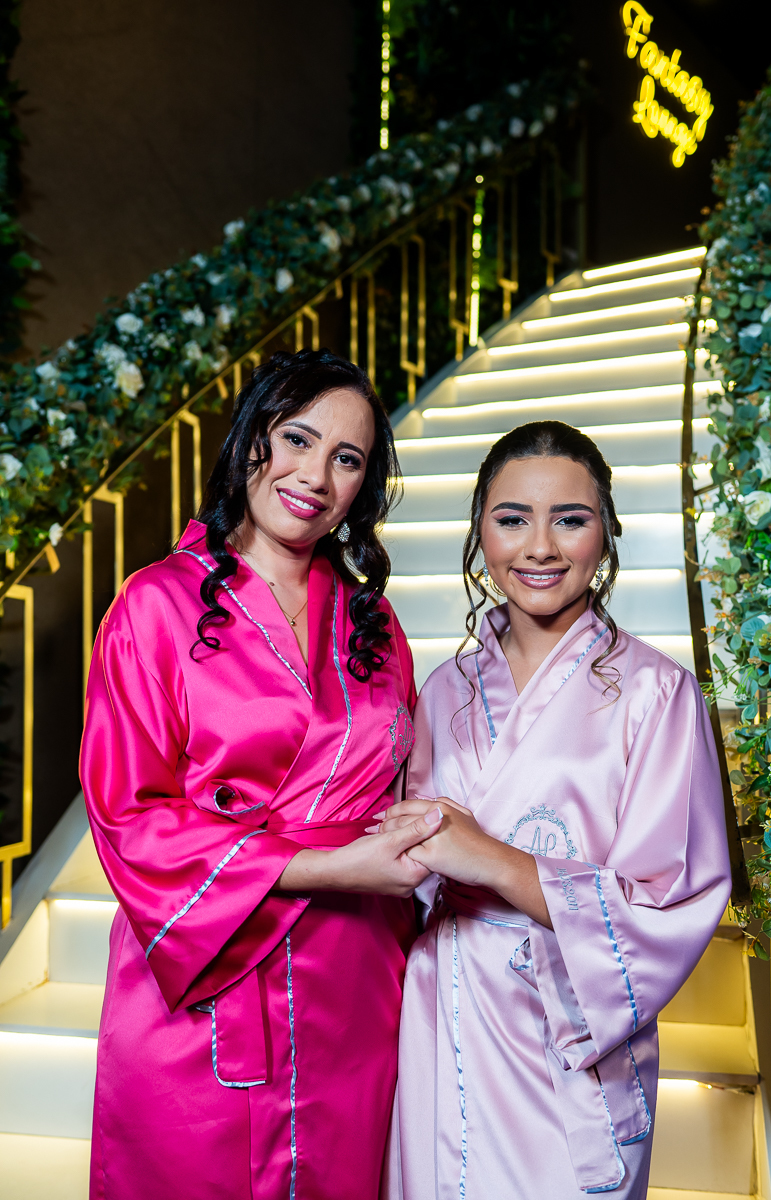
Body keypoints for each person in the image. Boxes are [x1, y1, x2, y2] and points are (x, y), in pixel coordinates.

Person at [80, 349, 443, 1200]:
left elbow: (403, 783)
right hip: (206, 973)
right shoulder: (154, 605)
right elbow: (130, 817)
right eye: (296, 439)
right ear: (251, 438)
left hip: (352, 983)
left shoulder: (374, 622)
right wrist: (327, 866)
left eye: (347, 459)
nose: (314, 476)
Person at [378, 420, 732, 1199]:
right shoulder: (444, 690)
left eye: (569, 519)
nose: (539, 547)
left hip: (567, 1031)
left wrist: (492, 859)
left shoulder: (657, 694)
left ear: (605, 533)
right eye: (512, 519)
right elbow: (408, 871)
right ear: (481, 533)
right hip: (444, 1013)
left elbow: (669, 906)